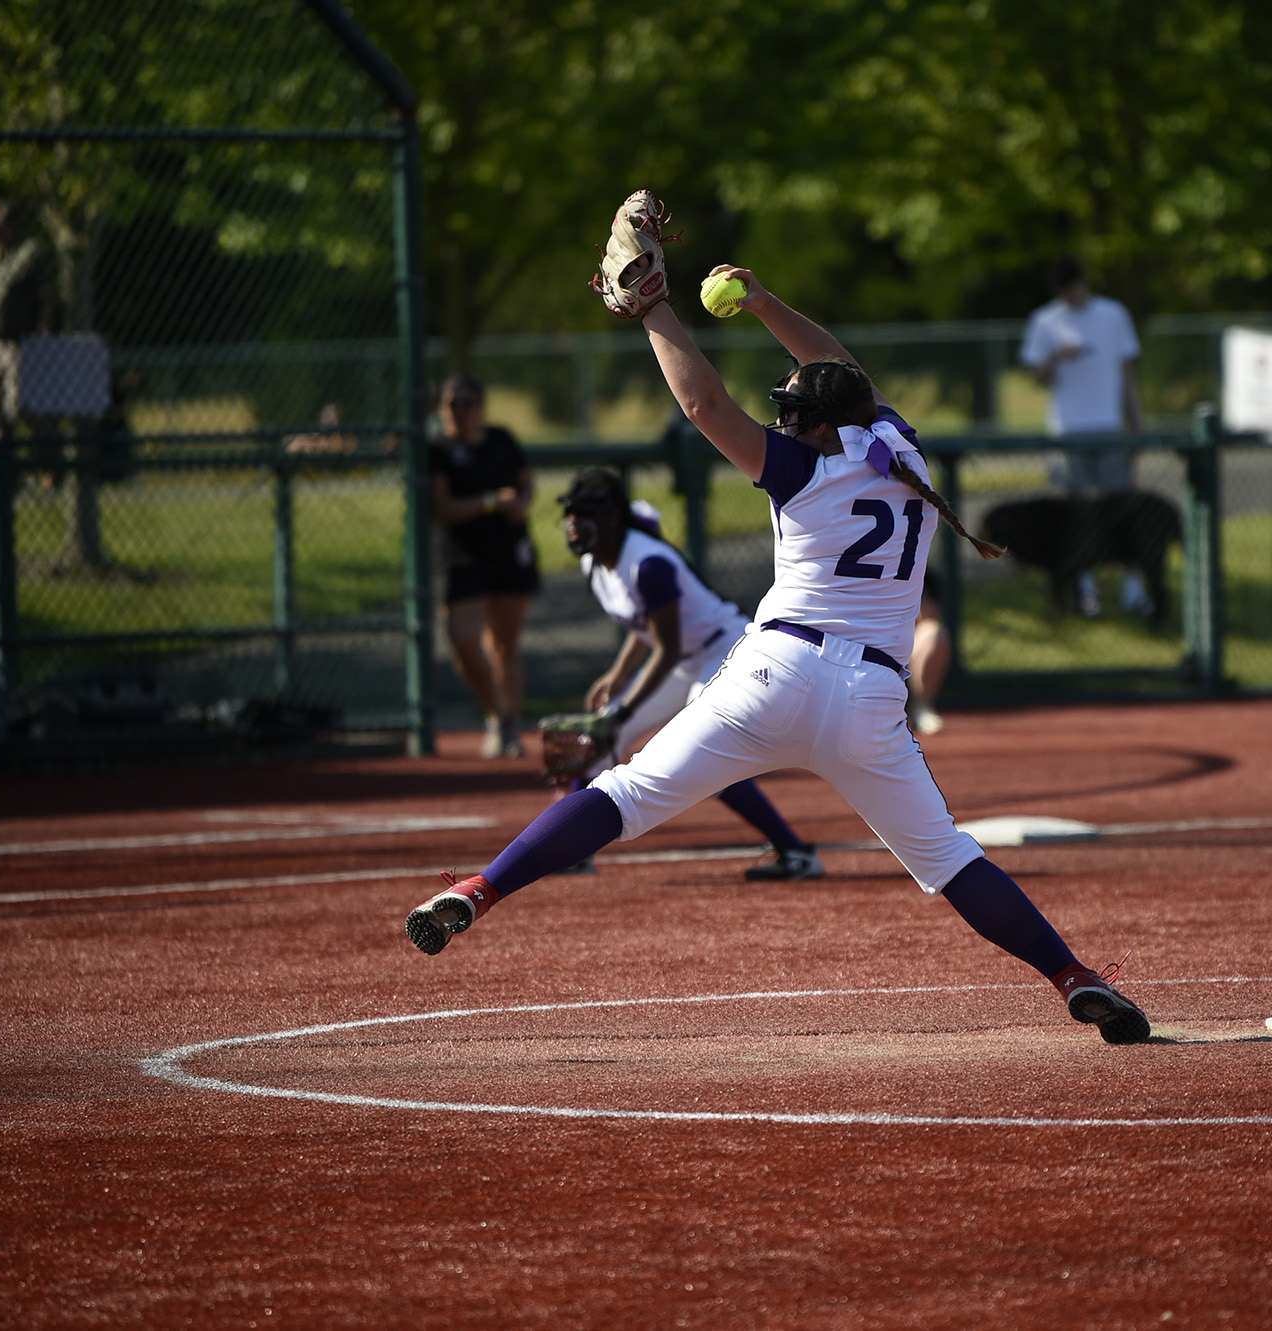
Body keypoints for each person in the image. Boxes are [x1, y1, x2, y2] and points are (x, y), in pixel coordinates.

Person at [404, 198, 1149, 1046]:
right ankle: (1072, 974)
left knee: (627, 791)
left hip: (774, 672)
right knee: (947, 857)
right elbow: (843, 368)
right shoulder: (901, 451)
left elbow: (704, 406)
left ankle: (480, 889)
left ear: (819, 422)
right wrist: (761, 304)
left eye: (794, 405)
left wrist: (654, 310)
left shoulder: (802, 466)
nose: (784, 413)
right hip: (870, 698)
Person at [557, 466, 824, 880]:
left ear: (612, 517)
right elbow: (644, 630)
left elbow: (665, 648)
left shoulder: (648, 564)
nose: (574, 523)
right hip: (684, 657)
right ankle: (573, 849)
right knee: (598, 738)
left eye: (585, 513)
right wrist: (617, 675)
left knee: (707, 756)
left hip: (724, 649)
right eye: (570, 513)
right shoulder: (595, 563)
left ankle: (797, 854)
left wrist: (624, 712)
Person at [1018, 256, 1146, 618]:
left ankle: (1133, 587)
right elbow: (1036, 379)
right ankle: (1085, 586)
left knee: (1120, 506)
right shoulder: (1046, 321)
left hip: (1108, 427)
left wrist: (1137, 420)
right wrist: (1057, 356)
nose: (1071, 296)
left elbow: (1127, 371)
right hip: (1067, 430)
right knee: (1075, 514)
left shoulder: (1112, 314)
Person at [427, 372, 538, 758]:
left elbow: (526, 485)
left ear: (481, 407)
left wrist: (518, 504)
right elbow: (442, 509)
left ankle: (509, 726)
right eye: (451, 403)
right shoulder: (438, 449)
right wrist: (491, 502)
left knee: (504, 647)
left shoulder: (502, 440)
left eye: (467, 403)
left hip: (508, 552)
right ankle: (498, 715)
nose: (459, 411)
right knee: (464, 640)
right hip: (462, 556)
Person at [0, 200, 57, 443]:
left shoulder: (28, 254)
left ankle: (52, 458)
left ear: (9, 226)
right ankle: (4, 473)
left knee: (19, 408)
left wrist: (44, 334)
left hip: (20, 344)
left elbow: (46, 296)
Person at [909, 567, 952, 735]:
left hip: (906, 641)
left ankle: (922, 707)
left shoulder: (922, 572)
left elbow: (930, 612)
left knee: (935, 633)